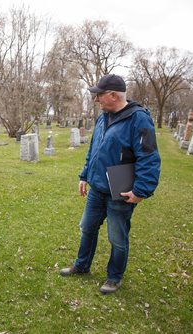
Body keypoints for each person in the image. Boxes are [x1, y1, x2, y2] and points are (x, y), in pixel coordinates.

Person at [60, 74, 161, 294]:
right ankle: (82, 265)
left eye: (99, 95)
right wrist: (84, 175)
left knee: (117, 237)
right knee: (87, 228)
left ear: (113, 95)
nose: (96, 100)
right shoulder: (102, 118)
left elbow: (149, 156)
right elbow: (94, 150)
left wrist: (142, 190)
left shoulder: (139, 119)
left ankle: (114, 277)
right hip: (97, 188)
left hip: (121, 189)